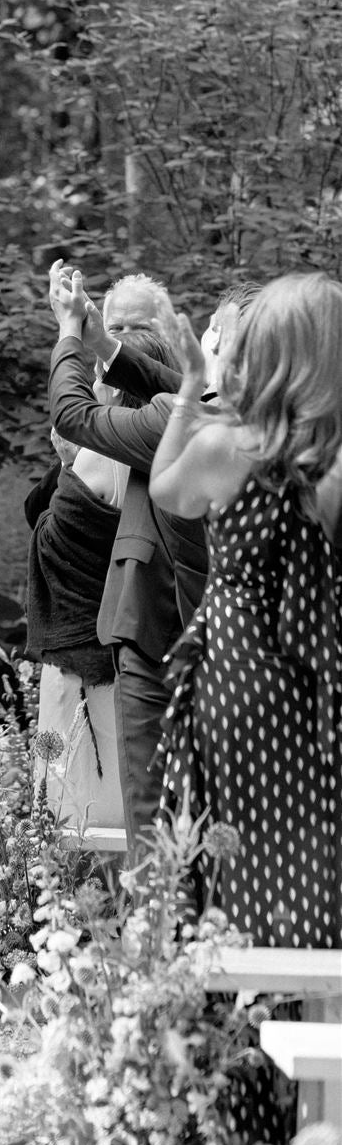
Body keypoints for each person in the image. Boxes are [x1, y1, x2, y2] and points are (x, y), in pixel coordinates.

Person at [148, 271, 342, 947]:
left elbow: (166, 492)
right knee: (321, 833)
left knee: (240, 834)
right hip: (326, 660)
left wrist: (188, 387)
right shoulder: (332, 459)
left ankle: (242, 986)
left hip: (240, 666)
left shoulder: (225, 446)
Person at [47, 262, 207, 846]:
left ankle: (160, 900)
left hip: (152, 614)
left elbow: (72, 416)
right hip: (161, 614)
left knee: (150, 803)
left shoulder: (174, 415)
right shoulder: (213, 407)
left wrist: (70, 332)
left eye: (214, 335)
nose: (202, 337)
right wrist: (98, 340)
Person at [24, 324, 177, 832]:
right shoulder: (172, 449)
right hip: (140, 643)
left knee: (80, 806)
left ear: (112, 386)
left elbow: (52, 538)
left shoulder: (102, 455)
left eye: (96, 374)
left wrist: (71, 463)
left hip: (84, 653)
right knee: (133, 791)